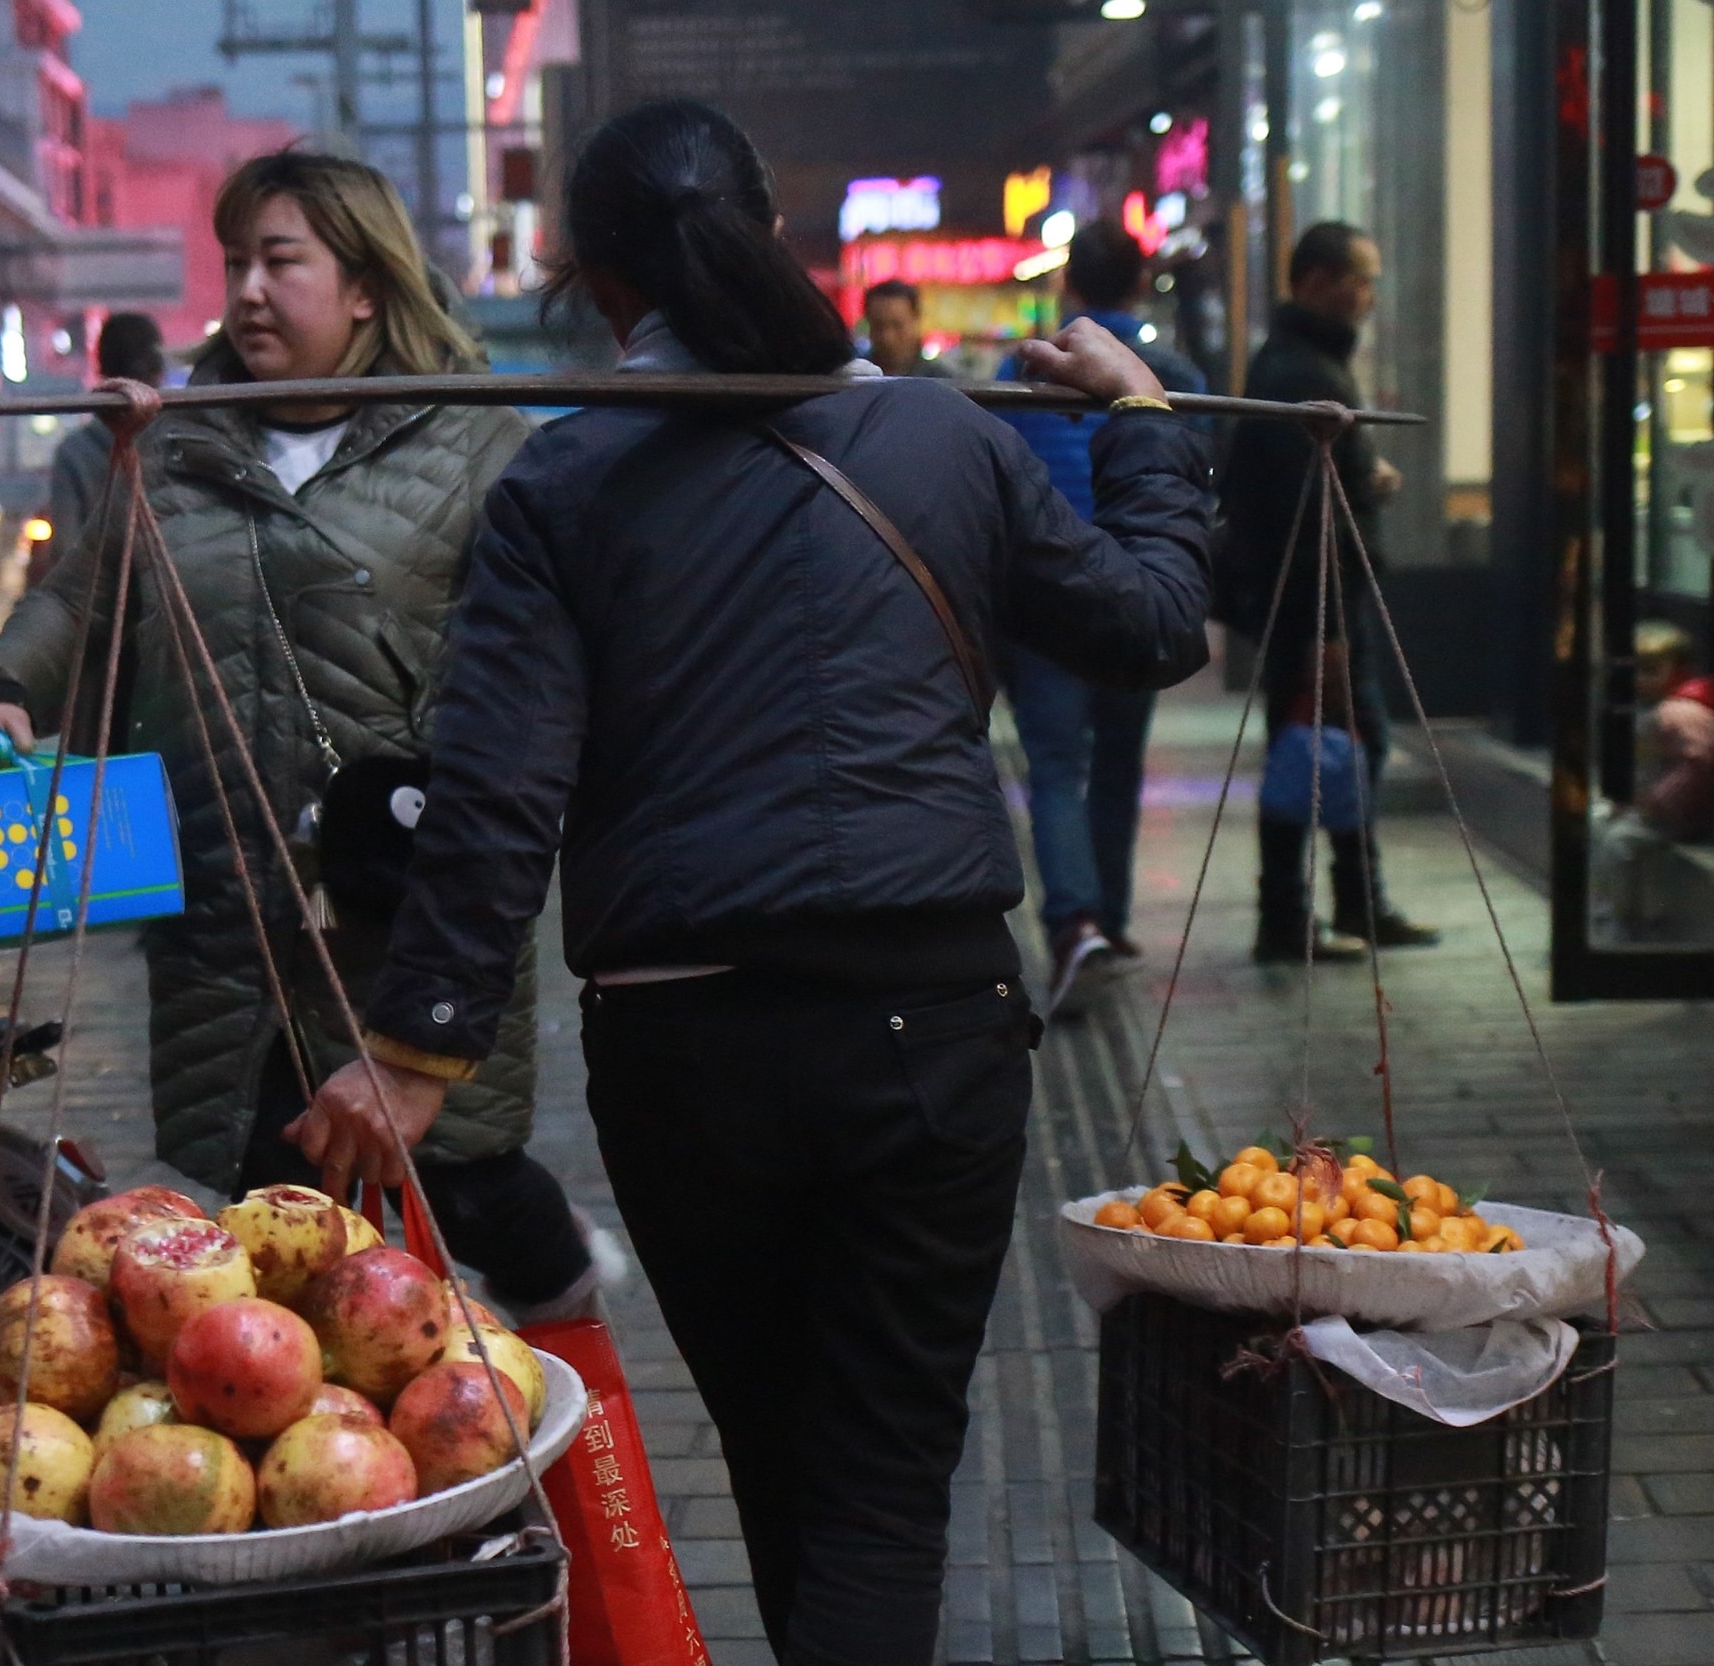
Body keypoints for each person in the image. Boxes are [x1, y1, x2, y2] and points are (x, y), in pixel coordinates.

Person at [294, 99, 1211, 1666]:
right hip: (930, 1035)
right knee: (873, 1487)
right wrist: (1140, 420)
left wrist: (414, 1045)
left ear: (595, 286)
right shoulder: (942, 438)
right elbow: (1151, 622)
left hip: (685, 1054)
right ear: (768, 236)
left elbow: (500, 791)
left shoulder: (565, 487)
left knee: (786, 1459)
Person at [0, 151, 605, 1323]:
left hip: (401, 903)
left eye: (280, 261)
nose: (249, 290)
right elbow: (80, 596)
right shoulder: (173, 447)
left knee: (464, 1179)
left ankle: (571, 1357)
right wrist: (4, 687)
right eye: (236, 263)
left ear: (363, 286)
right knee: (273, 1214)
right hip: (230, 913)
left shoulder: (478, 446)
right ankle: (314, 1427)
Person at [996, 220, 1209, 1014]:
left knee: (1055, 765)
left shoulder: (1022, 367)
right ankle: (1109, 923)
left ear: (1069, 284)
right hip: (1138, 580)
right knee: (1118, 764)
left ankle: (1075, 924)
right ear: (1138, 283)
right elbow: (1194, 481)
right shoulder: (1172, 373)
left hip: (1047, 591)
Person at [1221, 221, 1438, 962]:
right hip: (1313, 606)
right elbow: (1305, 514)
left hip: (1313, 602)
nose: (1369, 296)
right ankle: (1292, 914)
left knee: (1334, 740)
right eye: (1360, 279)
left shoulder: (1302, 361)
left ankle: (1348, 902)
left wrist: (1364, 480)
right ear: (1317, 281)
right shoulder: (1300, 372)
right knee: (1317, 743)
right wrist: (1328, 633)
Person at [1596, 621, 1714, 938]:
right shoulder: (1646, 707)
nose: (1639, 679)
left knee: (1619, 843)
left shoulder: (1683, 713)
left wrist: (1658, 801)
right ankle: (1612, 904)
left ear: (1679, 671)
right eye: (1635, 671)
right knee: (1597, 826)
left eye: (1651, 671)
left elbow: (1695, 765)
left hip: (1675, 814)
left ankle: (1628, 917)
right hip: (1644, 806)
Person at [38, 313, 167, 586]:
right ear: (157, 373)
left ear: (103, 374)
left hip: (100, 599)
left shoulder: (73, 453)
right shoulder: (181, 441)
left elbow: (66, 550)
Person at [862, 278, 943, 377]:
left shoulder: (943, 380)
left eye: (897, 325)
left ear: (917, 320)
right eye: (878, 325)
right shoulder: (853, 378)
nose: (887, 337)